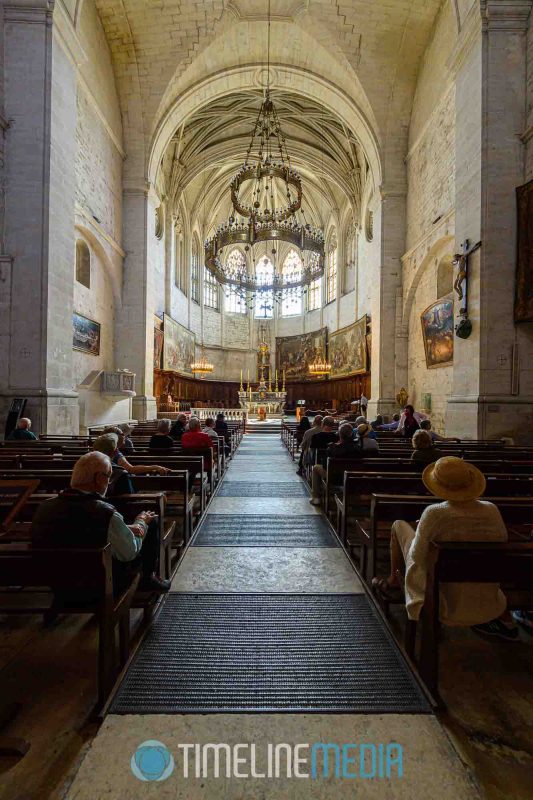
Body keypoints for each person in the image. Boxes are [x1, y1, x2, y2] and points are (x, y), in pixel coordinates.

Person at [371, 457, 518, 640]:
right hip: (485, 595)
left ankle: (393, 580)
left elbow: (417, 556)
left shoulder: (434, 513)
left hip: (443, 598)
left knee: (399, 526)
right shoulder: (491, 510)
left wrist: (420, 532)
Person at [31, 451, 170, 593]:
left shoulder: (44, 507)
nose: (109, 483)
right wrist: (141, 522)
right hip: (100, 585)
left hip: (57, 582)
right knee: (151, 522)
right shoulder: (105, 512)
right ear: (98, 478)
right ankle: (147, 580)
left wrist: (125, 528)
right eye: (108, 477)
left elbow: (79, 529)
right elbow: (129, 552)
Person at [310, 423, 362, 505]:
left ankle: (316, 497)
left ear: (340, 435)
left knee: (316, 467)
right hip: (352, 476)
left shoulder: (333, 448)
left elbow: (324, 465)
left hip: (335, 477)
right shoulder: (357, 448)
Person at [103, 426, 169, 476]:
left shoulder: (100, 449)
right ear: (115, 438)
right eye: (122, 436)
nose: (124, 438)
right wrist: (154, 467)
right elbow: (131, 469)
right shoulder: (115, 452)